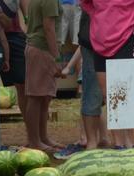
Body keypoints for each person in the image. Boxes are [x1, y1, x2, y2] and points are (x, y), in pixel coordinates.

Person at [80, 0, 134, 149]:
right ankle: (119, 144)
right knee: (110, 95)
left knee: (131, 94)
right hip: (99, 40)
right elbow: (84, 2)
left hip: (127, 36)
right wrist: (96, 15)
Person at [58, 8, 107, 156]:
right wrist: (69, 66)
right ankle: (91, 139)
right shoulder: (88, 20)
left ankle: (99, 138)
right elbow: (83, 45)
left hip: (105, 49)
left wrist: (69, 66)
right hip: (90, 54)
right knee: (92, 99)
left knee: (98, 100)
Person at [23, 0, 62, 151]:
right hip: (41, 48)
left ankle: (42, 137)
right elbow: (48, 28)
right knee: (36, 96)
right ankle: (35, 141)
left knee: (44, 97)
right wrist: (56, 57)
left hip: (39, 48)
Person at [0, 0, 27, 124]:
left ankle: (32, 134)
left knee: (23, 86)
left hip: (14, 35)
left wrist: (27, 28)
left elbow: (25, 8)